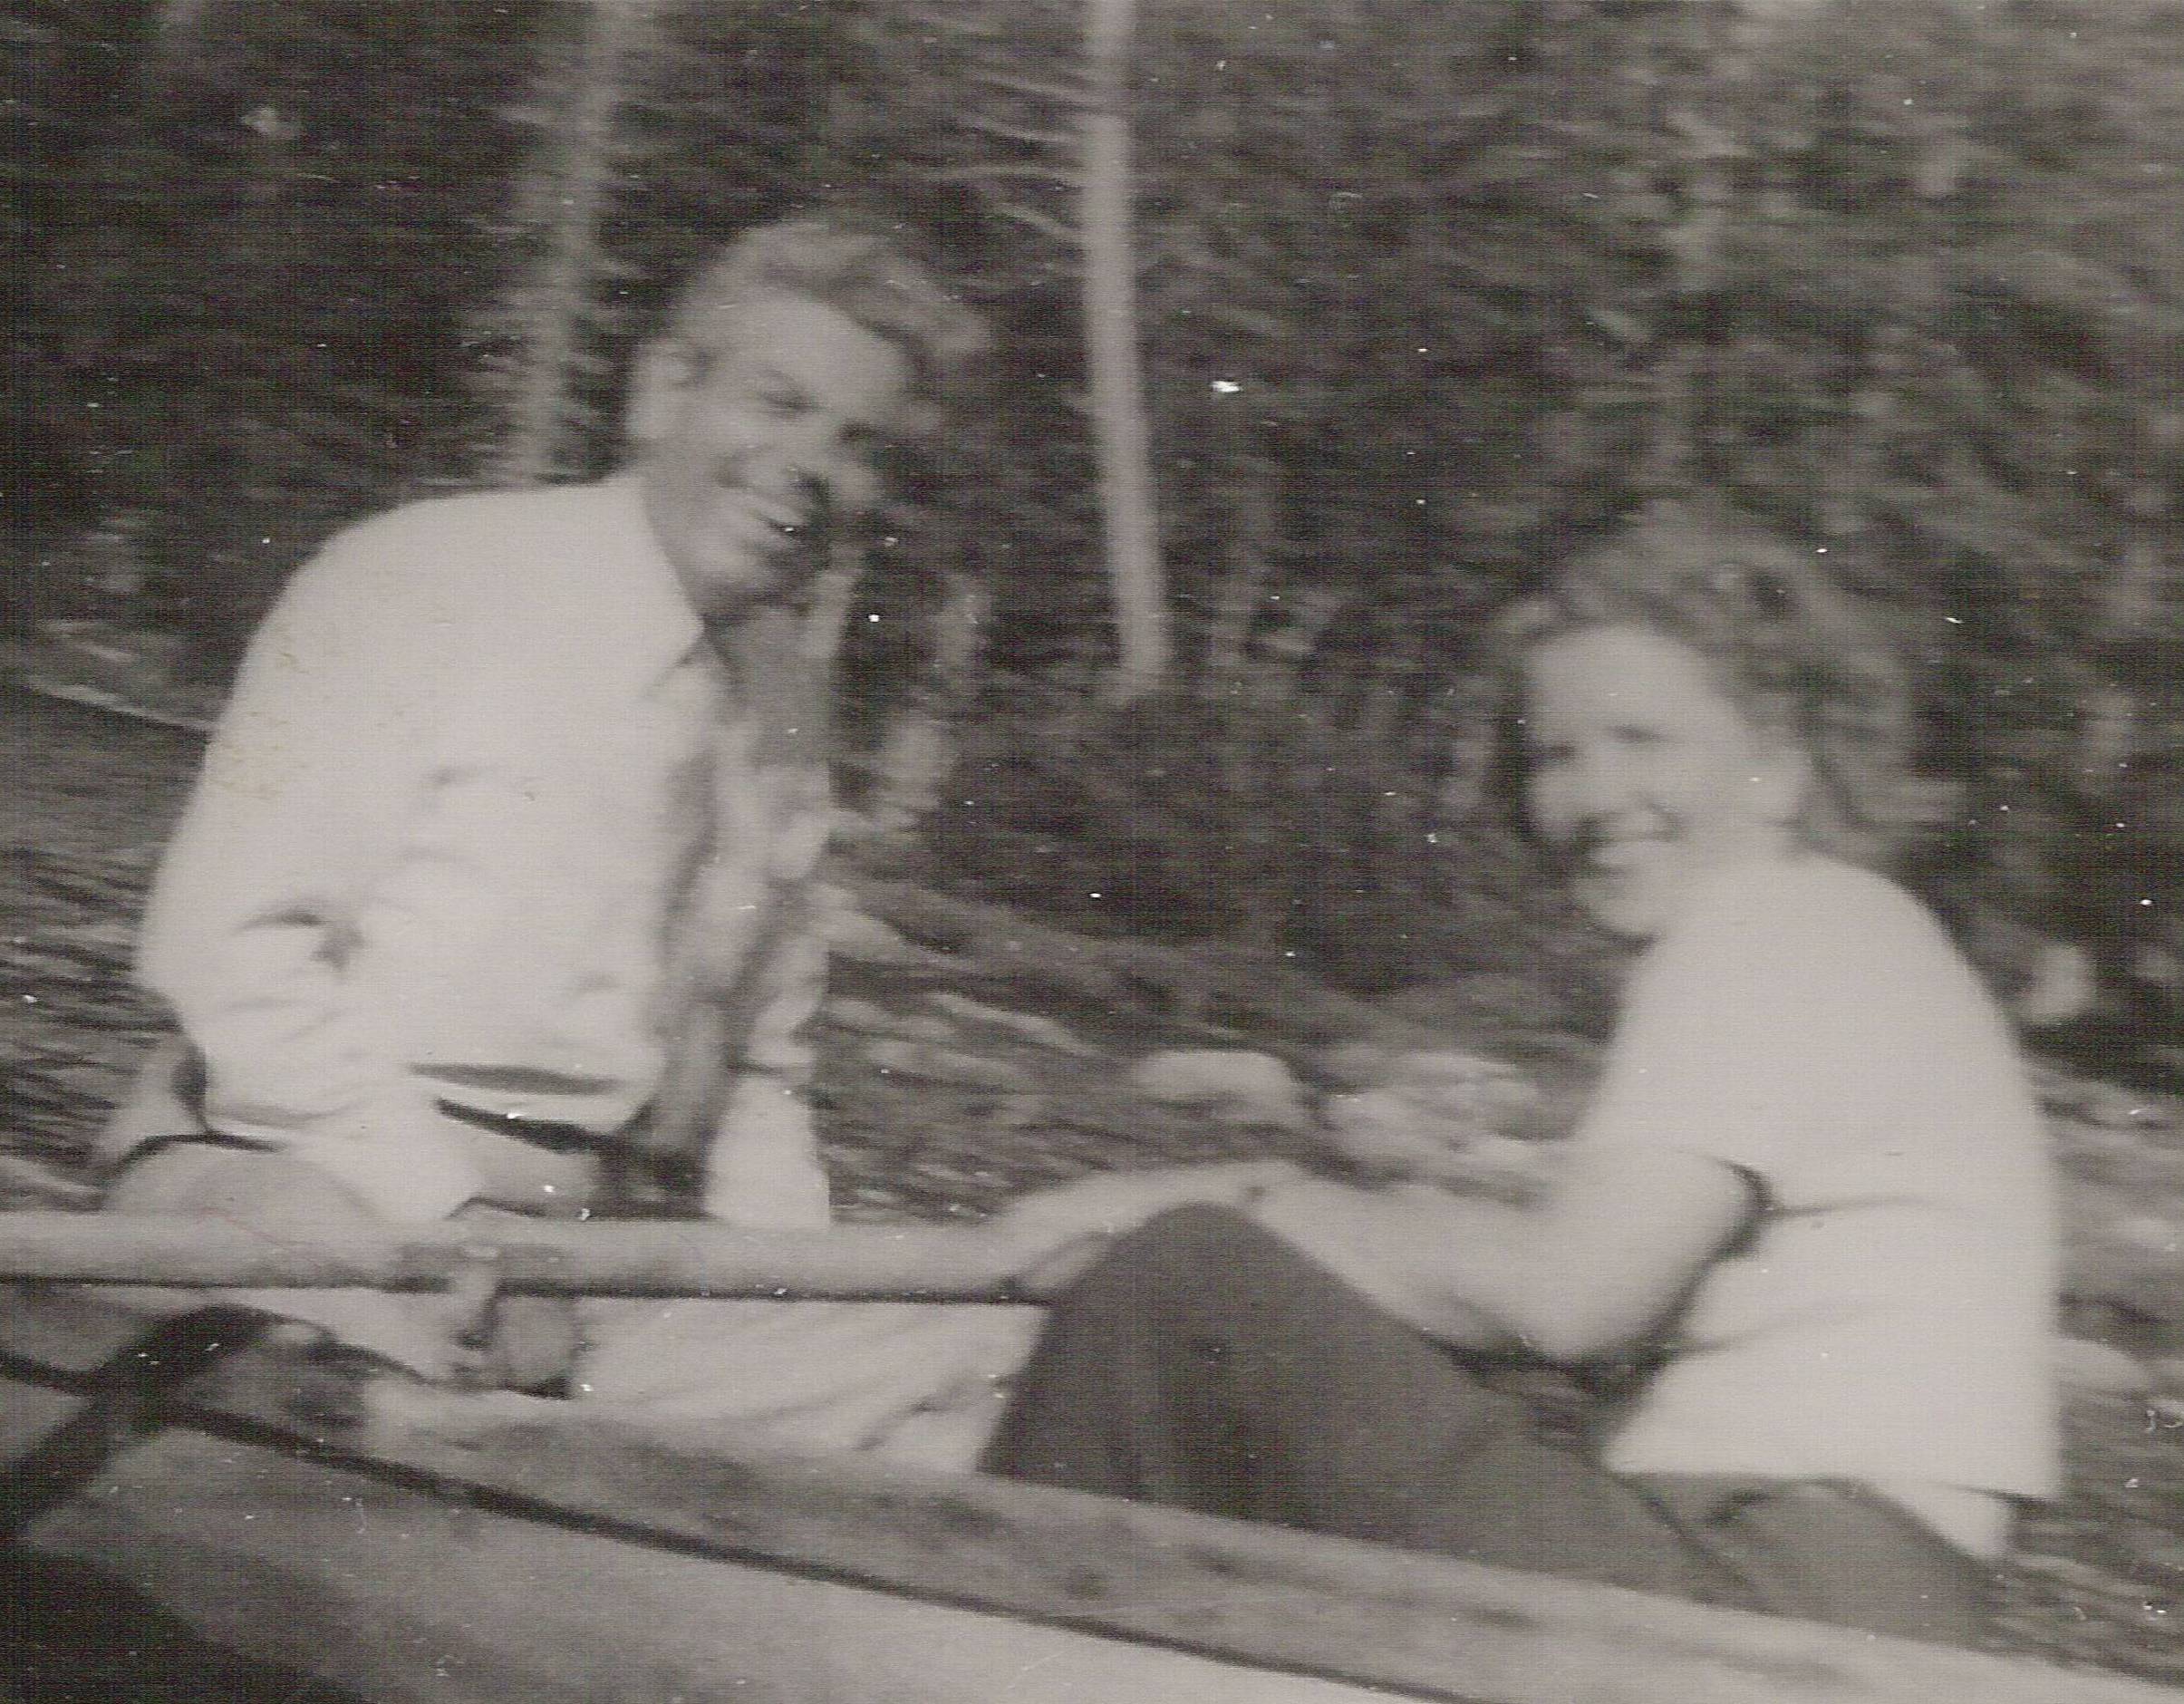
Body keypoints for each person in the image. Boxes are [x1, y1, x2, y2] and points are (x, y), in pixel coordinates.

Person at [981, 500, 2059, 1644]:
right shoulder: (1847, 929)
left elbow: (1566, 1296)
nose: (1594, 797)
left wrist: (1244, 1200)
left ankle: (978, 1637)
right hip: (1832, 1593)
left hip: (1762, 1590)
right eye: (1558, 754)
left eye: (1643, 740)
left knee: (1189, 1277)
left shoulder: (1767, 926)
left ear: (1778, 766)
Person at [96, 212, 998, 1393]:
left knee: (968, 1366)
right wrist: (451, 1218)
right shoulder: (424, 577)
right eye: (776, 403)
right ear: (662, 392)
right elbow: (225, 955)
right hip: (294, 1174)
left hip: (581, 1251)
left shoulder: (784, 702)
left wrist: (802, 1292)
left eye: (857, 445)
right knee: (407, 1374)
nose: (809, 469)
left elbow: (759, 1075)